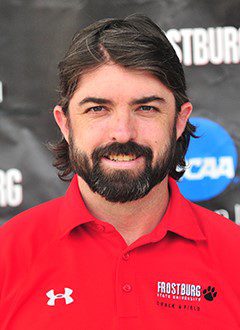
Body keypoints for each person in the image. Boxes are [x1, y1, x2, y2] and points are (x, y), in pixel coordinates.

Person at [0, 14, 240, 330]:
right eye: (98, 109)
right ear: (65, 123)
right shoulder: (8, 254)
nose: (123, 133)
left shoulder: (234, 255)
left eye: (147, 108)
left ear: (179, 121)